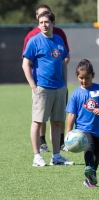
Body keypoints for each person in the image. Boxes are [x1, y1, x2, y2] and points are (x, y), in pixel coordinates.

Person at [22, 11, 74, 166]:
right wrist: (33, 85)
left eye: (47, 22)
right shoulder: (34, 41)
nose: (44, 25)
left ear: (53, 24)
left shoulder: (58, 40)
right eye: (41, 22)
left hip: (59, 88)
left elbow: (63, 63)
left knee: (57, 122)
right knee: (37, 122)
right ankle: (37, 156)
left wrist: (65, 85)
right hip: (42, 88)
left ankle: (56, 156)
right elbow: (25, 64)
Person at [65, 59, 99, 187]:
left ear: (92, 76)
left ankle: (90, 177)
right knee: (88, 147)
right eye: (81, 78)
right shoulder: (76, 94)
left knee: (96, 155)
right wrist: (68, 133)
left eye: (87, 78)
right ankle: (89, 171)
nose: (84, 81)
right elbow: (72, 114)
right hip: (83, 129)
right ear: (77, 77)